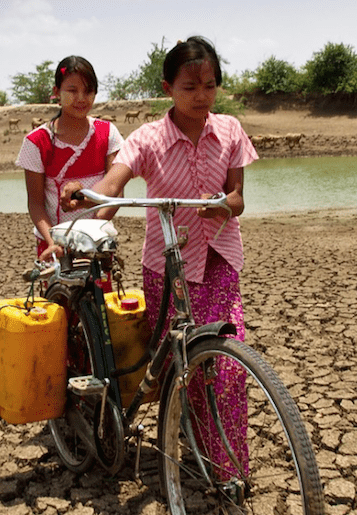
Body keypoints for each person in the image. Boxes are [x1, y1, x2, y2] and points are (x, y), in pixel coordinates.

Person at [61, 36, 258, 480]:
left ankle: (226, 470)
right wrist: (89, 198)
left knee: (224, 365)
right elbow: (114, 184)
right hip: (165, 266)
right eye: (189, 87)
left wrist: (223, 203)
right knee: (179, 367)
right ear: (168, 87)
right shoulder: (148, 138)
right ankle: (188, 439)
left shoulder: (229, 129)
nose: (201, 96)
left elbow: (239, 197)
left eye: (209, 85)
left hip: (220, 255)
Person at [16, 55, 124, 261]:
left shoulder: (108, 133)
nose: (82, 98)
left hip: (97, 241)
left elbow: (116, 193)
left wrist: (93, 230)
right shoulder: (37, 142)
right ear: (56, 92)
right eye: (72, 91)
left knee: (102, 294)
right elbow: (36, 204)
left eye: (88, 91)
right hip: (53, 244)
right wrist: (53, 242)